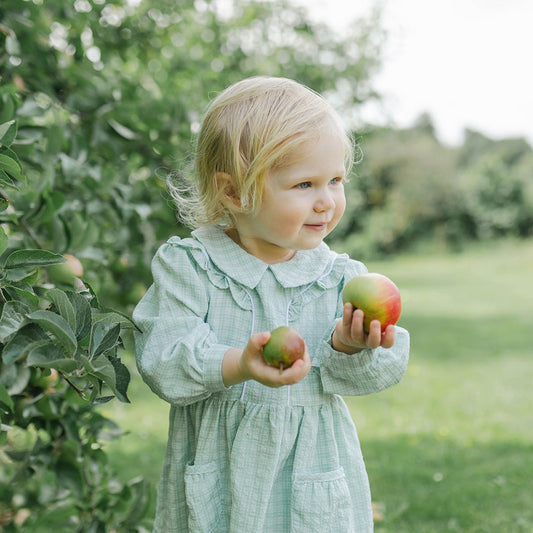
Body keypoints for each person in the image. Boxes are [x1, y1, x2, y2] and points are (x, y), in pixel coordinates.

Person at [133, 76, 410, 533]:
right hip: (219, 475)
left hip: (311, 479)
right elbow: (163, 359)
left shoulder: (340, 278)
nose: (327, 201)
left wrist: (347, 345)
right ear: (234, 192)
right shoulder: (193, 267)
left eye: (335, 180)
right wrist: (237, 364)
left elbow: (366, 375)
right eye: (304, 184)